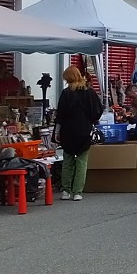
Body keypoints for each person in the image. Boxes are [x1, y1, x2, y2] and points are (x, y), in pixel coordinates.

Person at [54, 65, 104, 201]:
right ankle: (78, 192)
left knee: (68, 161)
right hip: (84, 130)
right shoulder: (89, 92)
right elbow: (98, 111)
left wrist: (57, 132)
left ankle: (65, 191)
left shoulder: (66, 93)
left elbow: (60, 115)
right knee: (82, 162)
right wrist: (91, 120)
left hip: (68, 131)